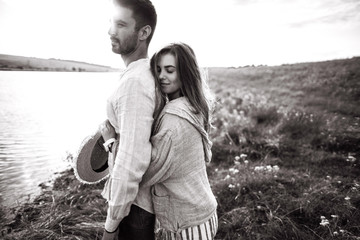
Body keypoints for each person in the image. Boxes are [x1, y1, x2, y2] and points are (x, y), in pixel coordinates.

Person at [98, 0, 159, 239]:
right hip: (137, 204)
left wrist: (111, 225)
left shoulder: (135, 82)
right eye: (111, 22)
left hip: (135, 208)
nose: (111, 31)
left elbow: (131, 160)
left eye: (121, 24)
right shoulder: (145, 73)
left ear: (144, 32)